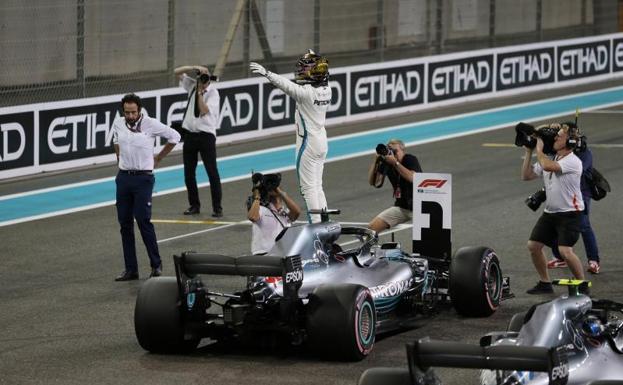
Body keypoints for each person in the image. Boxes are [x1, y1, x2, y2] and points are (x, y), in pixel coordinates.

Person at [249, 50, 331, 223]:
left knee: (308, 188)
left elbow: (286, 85)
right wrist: (314, 58)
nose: (301, 71)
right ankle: (325, 220)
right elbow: (318, 73)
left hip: (308, 143)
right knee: (318, 186)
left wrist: (267, 73)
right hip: (322, 140)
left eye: (305, 68)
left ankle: (316, 226)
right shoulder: (327, 89)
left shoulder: (306, 93)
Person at [112, 93, 181, 281]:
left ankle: (156, 265)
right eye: (127, 112)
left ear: (139, 110)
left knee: (143, 221)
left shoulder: (150, 123)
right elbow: (116, 140)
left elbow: (175, 136)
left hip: (143, 178)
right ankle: (131, 269)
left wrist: (158, 158)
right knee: (124, 224)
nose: (130, 116)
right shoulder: (118, 122)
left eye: (133, 112)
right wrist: (119, 157)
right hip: (124, 177)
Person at [520, 122, 585, 294]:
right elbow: (526, 176)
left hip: (570, 213)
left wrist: (539, 149)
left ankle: (582, 285)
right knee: (533, 246)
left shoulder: (573, 161)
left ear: (570, 142)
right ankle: (545, 283)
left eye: (560, 136)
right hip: (550, 213)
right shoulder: (552, 158)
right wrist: (529, 151)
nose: (555, 138)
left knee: (565, 251)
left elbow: (548, 167)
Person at [174, 64, 223, 217]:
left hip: (206, 136)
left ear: (210, 79)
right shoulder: (192, 86)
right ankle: (194, 205)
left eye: (206, 77)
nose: (203, 79)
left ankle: (217, 208)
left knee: (212, 172)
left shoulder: (213, 93)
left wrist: (201, 93)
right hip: (189, 135)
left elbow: (203, 111)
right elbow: (176, 72)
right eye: (202, 76)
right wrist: (193, 67)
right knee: (189, 173)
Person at [548, 142, 601, 274]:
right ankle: (560, 258)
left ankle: (593, 260)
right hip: (563, 194)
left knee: (584, 226)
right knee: (554, 223)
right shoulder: (558, 149)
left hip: (581, 194)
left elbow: (579, 169)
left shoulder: (584, 152)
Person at [367, 139, 422, 233]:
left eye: (393, 145)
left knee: (427, 236)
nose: (390, 146)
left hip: (420, 206)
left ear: (402, 148)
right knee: (371, 229)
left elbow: (413, 178)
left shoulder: (409, 159)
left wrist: (396, 163)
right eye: (388, 146)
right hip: (402, 207)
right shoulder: (387, 163)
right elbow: (373, 182)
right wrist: (375, 161)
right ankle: (370, 247)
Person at [247, 173, 301, 255]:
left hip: (283, 253)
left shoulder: (284, 213)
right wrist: (257, 196)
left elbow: (297, 212)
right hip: (264, 254)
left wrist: (280, 192)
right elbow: (253, 217)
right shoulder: (261, 209)